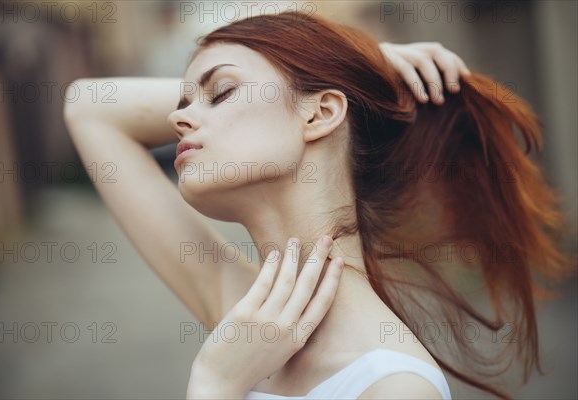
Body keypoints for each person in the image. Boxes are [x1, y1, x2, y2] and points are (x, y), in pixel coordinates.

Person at [64, 11, 573, 400]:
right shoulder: (247, 316)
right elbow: (89, 106)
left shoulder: (393, 387)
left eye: (219, 93)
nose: (179, 121)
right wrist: (364, 68)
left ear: (322, 112)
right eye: (182, 105)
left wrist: (215, 384)